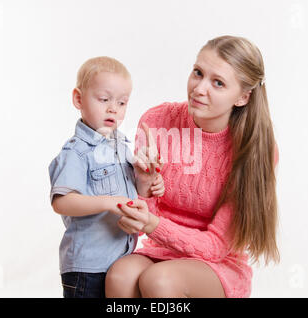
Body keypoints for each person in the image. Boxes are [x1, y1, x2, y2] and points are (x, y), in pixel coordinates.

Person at [105, 36, 280, 298]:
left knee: (160, 281)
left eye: (217, 83)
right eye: (198, 73)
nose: (199, 88)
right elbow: (143, 218)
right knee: (120, 275)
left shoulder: (255, 149)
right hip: (161, 248)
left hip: (218, 264)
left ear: (243, 97)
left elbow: (215, 246)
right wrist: (142, 185)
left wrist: (153, 224)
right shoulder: (157, 121)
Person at [48, 56, 164, 298]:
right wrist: (107, 202)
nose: (114, 108)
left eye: (122, 103)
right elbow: (62, 202)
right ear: (78, 99)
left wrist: (146, 182)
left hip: (120, 262)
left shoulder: (121, 145)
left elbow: (132, 197)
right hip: (87, 267)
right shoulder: (76, 152)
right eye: (104, 100)